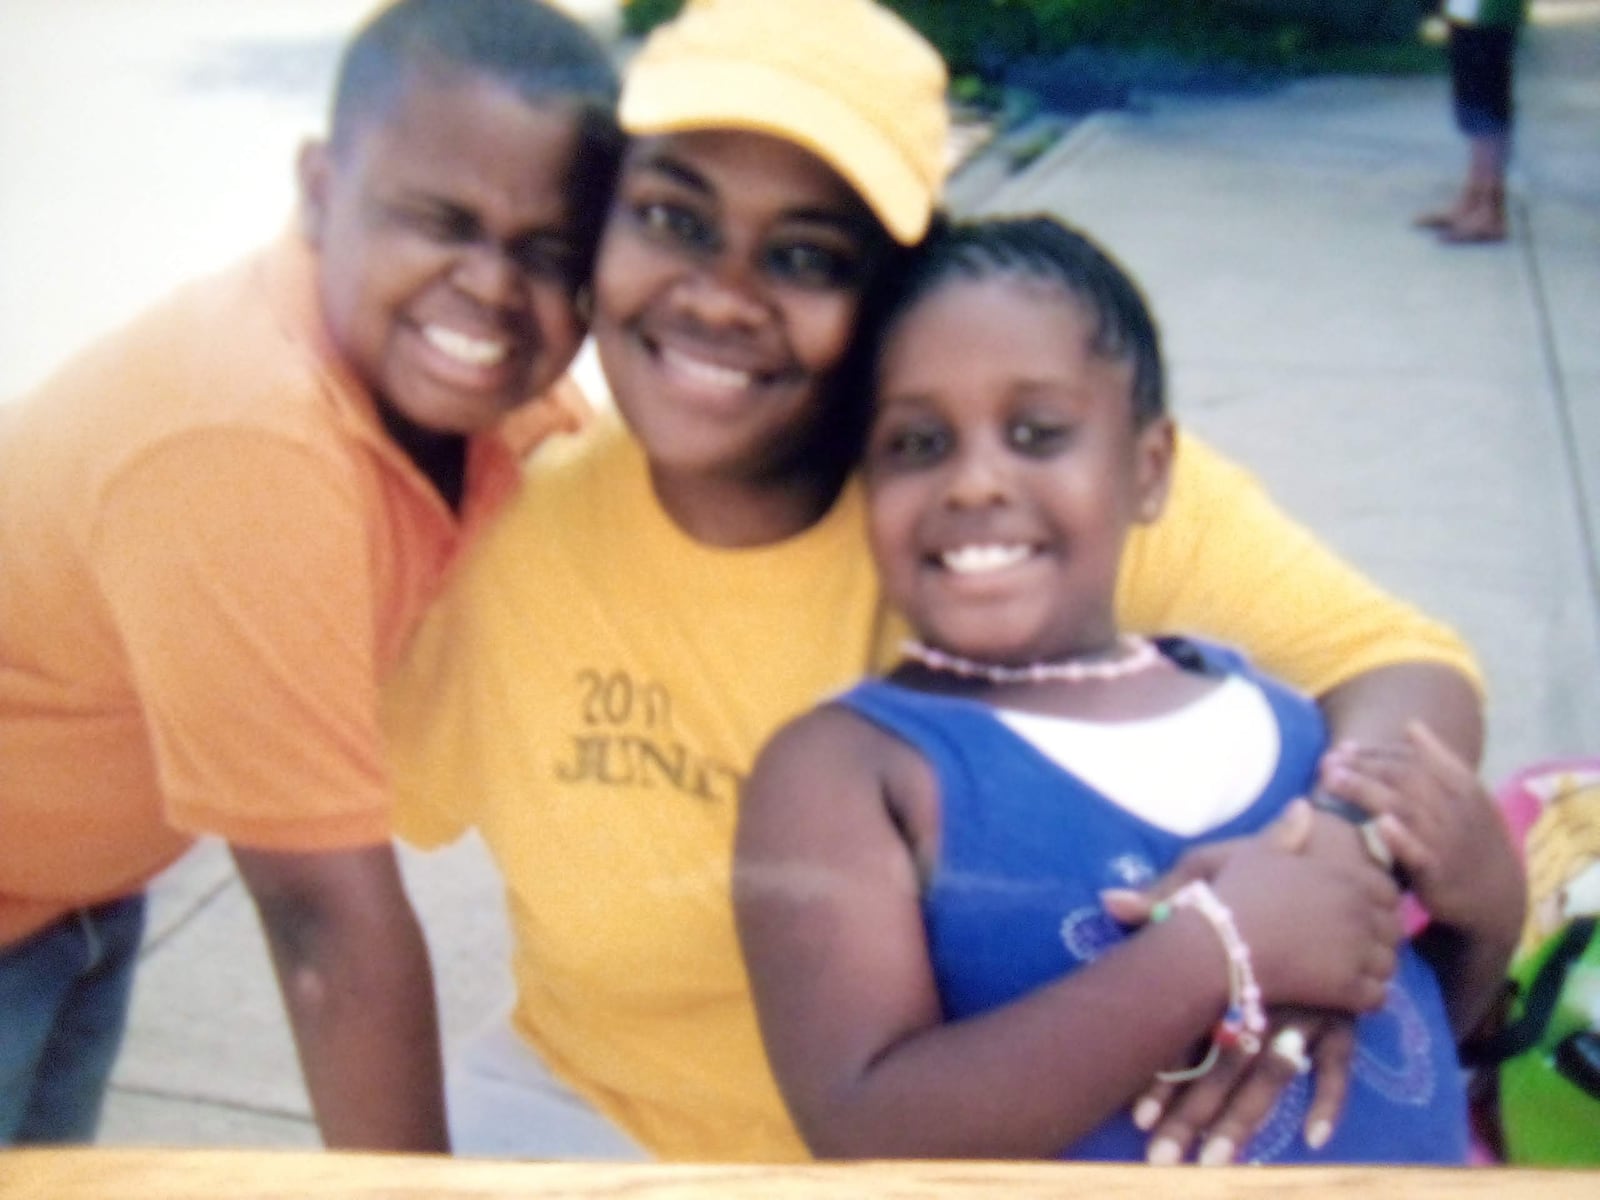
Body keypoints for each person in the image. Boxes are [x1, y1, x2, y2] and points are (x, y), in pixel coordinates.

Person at [385, 0, 1493, 1163]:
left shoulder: (1006, 493)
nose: (718, 295)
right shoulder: (513, 553)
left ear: (895, 304)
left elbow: (1400, 668)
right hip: (602, 1132)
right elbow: (335, 852)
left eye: (807, 255)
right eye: (672, 218)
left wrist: (1328, 864)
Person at [732, 213, 1524, 1164]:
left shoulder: (1289, 725)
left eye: (1037, 433)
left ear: (1149, 471)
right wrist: (1215, 951)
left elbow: (1397, 1036)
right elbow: (860, 1122)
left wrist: (1489, 911)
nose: (975, 481)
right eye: (916, 443)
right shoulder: (852, 771)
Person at [0, 0, 620, 1148]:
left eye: (550, 253)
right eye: (440, 221)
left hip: (75, 895)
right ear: (322, 192)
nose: (489, 286)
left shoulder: (502, 406)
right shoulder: (246, 441)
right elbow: (327, 932)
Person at [1415, 0, 1527, 243]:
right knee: (1470, 91)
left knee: (1485, 94)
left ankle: (1489, 210)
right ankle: (1471, 201)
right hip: (1467, 9)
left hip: (1489, 10)